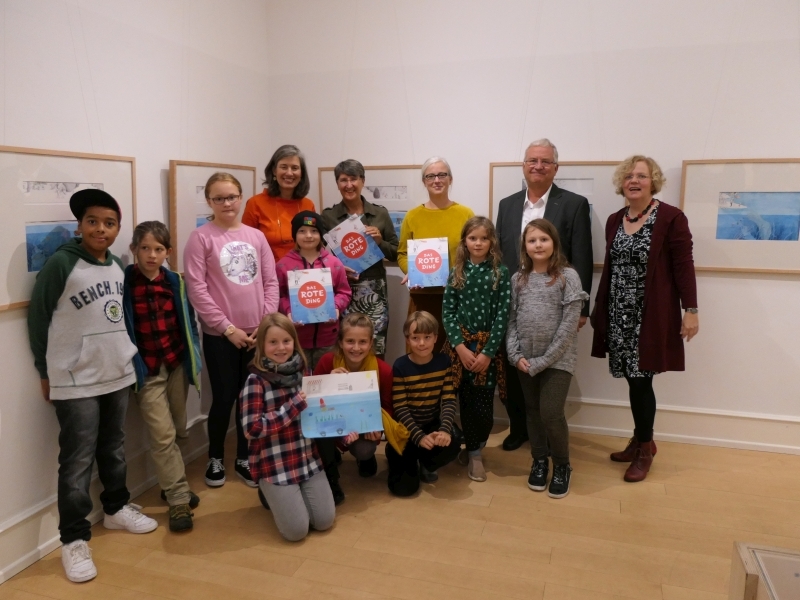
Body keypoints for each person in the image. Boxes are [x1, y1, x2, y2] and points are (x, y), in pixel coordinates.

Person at [27, 188, 157, 583]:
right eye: (93, 221)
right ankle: (74, 539)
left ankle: (116, 508)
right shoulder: (61, 265)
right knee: (77, 459)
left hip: (114, 372)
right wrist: (44, 372)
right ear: (80, 225)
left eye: (109, 223)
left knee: (113, 446)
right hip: (74, 378)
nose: (101, 229)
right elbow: (38, 319)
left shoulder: (117, 265)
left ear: (118, 229)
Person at [591, 156, 699, 482]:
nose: (634, 180)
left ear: (653, 181)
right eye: (628, 176)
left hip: (649, 315)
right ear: (621, 183)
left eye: (642, 175)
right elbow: (611, 268)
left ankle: (645, 447)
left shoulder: (670, 218)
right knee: (632, 378)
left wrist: (691, 310)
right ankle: (640, 439)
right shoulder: (614, 219)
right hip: (618, 313)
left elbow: (683, 265)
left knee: (641, 380)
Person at [495, 138, 593, 452]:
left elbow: (582, 255)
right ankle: (519, 427)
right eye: (532, 161)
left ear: (555, 168)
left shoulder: (574, 203)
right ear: (523, 166)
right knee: (514, 368)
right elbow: (500, 255)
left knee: (550, 369)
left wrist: (581, 310)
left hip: (556, 301)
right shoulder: (507, 204)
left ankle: (548, 438)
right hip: (516, 299)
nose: (538, 166)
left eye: (545, 161)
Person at [184, 172, 279, 488]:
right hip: (221, 337)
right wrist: (227, 329)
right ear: (210, 202)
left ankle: (243, 457)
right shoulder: (201, 238)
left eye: (231, 197)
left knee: (251, 400)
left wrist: (265, 326)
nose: (226, 203)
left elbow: (270, 281)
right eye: (219, 198)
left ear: (241, 198)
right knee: (224, 397)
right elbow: (197, 289)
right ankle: (215, 457)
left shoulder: (256, 236)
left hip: (257, 335)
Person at [122, 221, 202, 532]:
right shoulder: (126, 283)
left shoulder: (174, 282)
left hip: (176, 364)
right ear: (134, 250)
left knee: (180, 429)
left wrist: (192, 356)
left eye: (158, 249)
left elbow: (188, 321)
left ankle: (172, 484)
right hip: (148, 370)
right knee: (162, 434)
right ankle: (179, 499)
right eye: (145, 248)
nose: (151, 255)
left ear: (168, 252)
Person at [506, 219, 588, 498]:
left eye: (543, 239)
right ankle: (539, 460)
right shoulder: (518, 279)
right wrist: (514, 354)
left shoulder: (567, 276)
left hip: (557, 360)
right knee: (532, 411)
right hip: (524, 361)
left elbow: (568, 326)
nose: (538, 245)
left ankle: (562, 465)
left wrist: (544, 360)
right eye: (532, 240)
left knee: (551, 413)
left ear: (554, 243)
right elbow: (512, 321)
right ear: (525, 247)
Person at [239, 313, 335, 541]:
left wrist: (334, 384)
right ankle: (268, 491)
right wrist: (293, 407)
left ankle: (293, 493)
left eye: (286, 341)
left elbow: (320, 410)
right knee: (296, 532)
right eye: (273, 342)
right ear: (262, 344)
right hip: (275, 464)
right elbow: (251, 429)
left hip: (306, 458)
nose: (281, 348)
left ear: (294, 342)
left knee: (324, 521)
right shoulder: (256, 380)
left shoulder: (305, 372)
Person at [441, 217, 511, 482]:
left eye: (484, 238)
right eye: (473, 238)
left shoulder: (500, 272)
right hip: (460, 350)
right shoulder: (456, 271)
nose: (478, 243)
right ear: (465, 242)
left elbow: (503, 315)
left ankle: (476, 446)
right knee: (465, 401)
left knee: (483, 408)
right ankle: (473, 454)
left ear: (491, 241)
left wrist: (488, 352)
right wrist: (459, 346)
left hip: (487, 352)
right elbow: (447, 312)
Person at [320, 159, 399, 357]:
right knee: (346, 347)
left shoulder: (379, 213)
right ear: (337, 184)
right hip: (342, 290)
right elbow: (321, 257)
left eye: (353, 179)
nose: (349, 185)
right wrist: (337, 268)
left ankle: (376, 386)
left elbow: (396, 252)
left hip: (375, 290)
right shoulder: (328, 217)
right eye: (343, 180)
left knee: (375, 345)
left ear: (362, 181)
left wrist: (379, 241)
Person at [313, 313, 394, 503]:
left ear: (370, 343)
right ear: (340, 342)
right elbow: (312, 404)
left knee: (365, 450)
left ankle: (363, 457)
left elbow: (388, 407)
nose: (356, 348)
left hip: (362, 428)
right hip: (332, 424)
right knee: (318, 437)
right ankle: (331, 468)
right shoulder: (327, 362)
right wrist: (327, 382)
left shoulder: (383, 370)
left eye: (362, 342)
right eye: (350, 341)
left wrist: (378, 427)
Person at [397, 157, 474, 353]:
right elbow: (402, 254)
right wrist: (411, 271)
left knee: (455, 355)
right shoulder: (412, 216)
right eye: (430, 176)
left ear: (450, 179)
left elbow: (475, 252)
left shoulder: (465, 214)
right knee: (422, 353)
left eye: (442, 175)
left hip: (458, 296)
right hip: (423, 297)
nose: (437, 180)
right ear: (424, 181)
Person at [388, 311, 461, 496]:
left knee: (453, 439)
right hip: (407, 431)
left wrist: (444, 429)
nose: (421, 343)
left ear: (435, 338)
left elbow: (449, 399)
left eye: (427, 337)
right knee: (404, 490)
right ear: (407, 339)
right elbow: (400, 407)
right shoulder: (400, 366)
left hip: (432, 426)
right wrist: (418, 436)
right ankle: (404, 457)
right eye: (415, 338)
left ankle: (427, 463)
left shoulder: (443, 361)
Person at [275, 211, 352, 371]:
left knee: (326, 379)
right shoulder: (283, 265)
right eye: (302, 231)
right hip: (296, 337)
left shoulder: (334, 263)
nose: (308, 235)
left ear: (321, 234)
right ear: (294, 235)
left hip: (328, 337)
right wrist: (288, 311)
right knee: (299, 383)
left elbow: (344, 292)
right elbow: (279, 295)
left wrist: (336, 307)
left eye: (314, 231)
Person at [243, 144, 316, 262]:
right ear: (274, 171)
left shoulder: (308, 205)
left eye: (295, 168)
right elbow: (245, 246)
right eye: (284, 167)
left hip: (303, 275)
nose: (289, 173)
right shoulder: (255, 203)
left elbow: (314, 245)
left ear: (301, 173)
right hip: (269, 276)